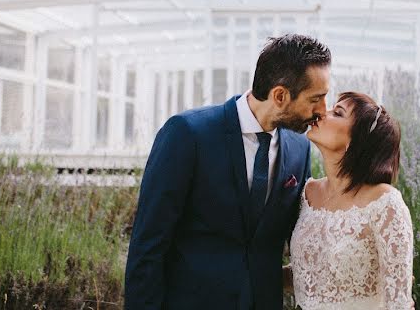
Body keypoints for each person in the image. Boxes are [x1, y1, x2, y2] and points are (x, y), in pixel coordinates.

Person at [124, 34, 332, 310]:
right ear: (280, 95)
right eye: (316, 99)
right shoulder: (188, 134)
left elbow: (300, 237)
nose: (323, 110)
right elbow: (148, 244)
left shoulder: (299, 148)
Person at [290, 91, 415, 310]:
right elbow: (308, 277)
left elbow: (399, 303)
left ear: (356, 142)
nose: (321, 113)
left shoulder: (386, 204)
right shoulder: (308, 193)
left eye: (337, 113)